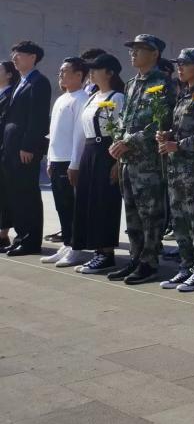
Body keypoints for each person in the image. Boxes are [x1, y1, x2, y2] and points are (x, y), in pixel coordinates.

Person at [107, 34, 176, 283]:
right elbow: (125, 119)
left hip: (149, 162)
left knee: (151, 215)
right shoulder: (131, 83)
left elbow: (162, 123)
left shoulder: (165, 84)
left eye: (140, 49)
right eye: (132, 49)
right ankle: (135, 258)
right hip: (128, 161)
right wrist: (118, 141)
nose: (133, 53)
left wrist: (130, 141)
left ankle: (149, 263)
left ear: (155, 53)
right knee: (132, 213)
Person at [156, 48, 194, 292]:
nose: (179, 68)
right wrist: (167, 135)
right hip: (177, 168)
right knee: (180, 221)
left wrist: (178, 144)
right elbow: (182, 128)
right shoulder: (183, 96)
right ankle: (186, 266)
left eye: (185, 63)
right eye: (178, 63)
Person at [69, 54, 125, 273]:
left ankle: (106, 253)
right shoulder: (92, 96)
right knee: (88, 201)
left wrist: (117, 162)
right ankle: (95, 250)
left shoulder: (117, 97)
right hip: (90, 151)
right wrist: (75, 162)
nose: (91, 73)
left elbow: (121, 130)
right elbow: (83, 131)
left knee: (104, 202)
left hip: (107, 152)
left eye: (96, 69)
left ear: (110, 72)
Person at [3, 41, 53, 256]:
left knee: (27, 195)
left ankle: (31, 241)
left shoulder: (39, 82)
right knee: (15, 195)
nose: (14, 58)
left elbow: (37, 118)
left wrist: (28, 146)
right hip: (11, 148)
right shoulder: (21, 81)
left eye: (19, 54)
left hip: (24, 150)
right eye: (13, 54)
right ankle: (21, 237)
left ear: (33, 57)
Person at [41, 57, 91, 265]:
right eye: (60, 71)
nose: (60, 74)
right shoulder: (62, 98)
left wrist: (74, 164)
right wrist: (50, 160)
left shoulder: (82, 99)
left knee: (72, 206)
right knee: (61, 205)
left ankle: (76, 247)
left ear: (79, 75)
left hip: (69, 160)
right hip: (56, 159)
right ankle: (67, 243)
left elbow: (80, 135)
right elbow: (53, 133)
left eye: (65, 71)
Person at [0, 61, 21, 251]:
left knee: (4, 192)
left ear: (8, 75)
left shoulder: (11, 95)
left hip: (4, 148)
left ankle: (3, 234)